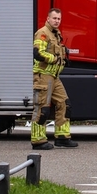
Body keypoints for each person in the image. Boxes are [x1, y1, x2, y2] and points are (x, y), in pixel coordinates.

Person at [31, 8, 77, 149]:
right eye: (54, 18)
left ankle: (62, 137)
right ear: (48, 18)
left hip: (54, 76)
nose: (57, 21)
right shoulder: (43, 33)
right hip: (43, 75)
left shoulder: (56, 34)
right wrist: (55, 59)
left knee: (64, 103)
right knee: (42, 109)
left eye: (59, 19)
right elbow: (37, 53)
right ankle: (38, 140)